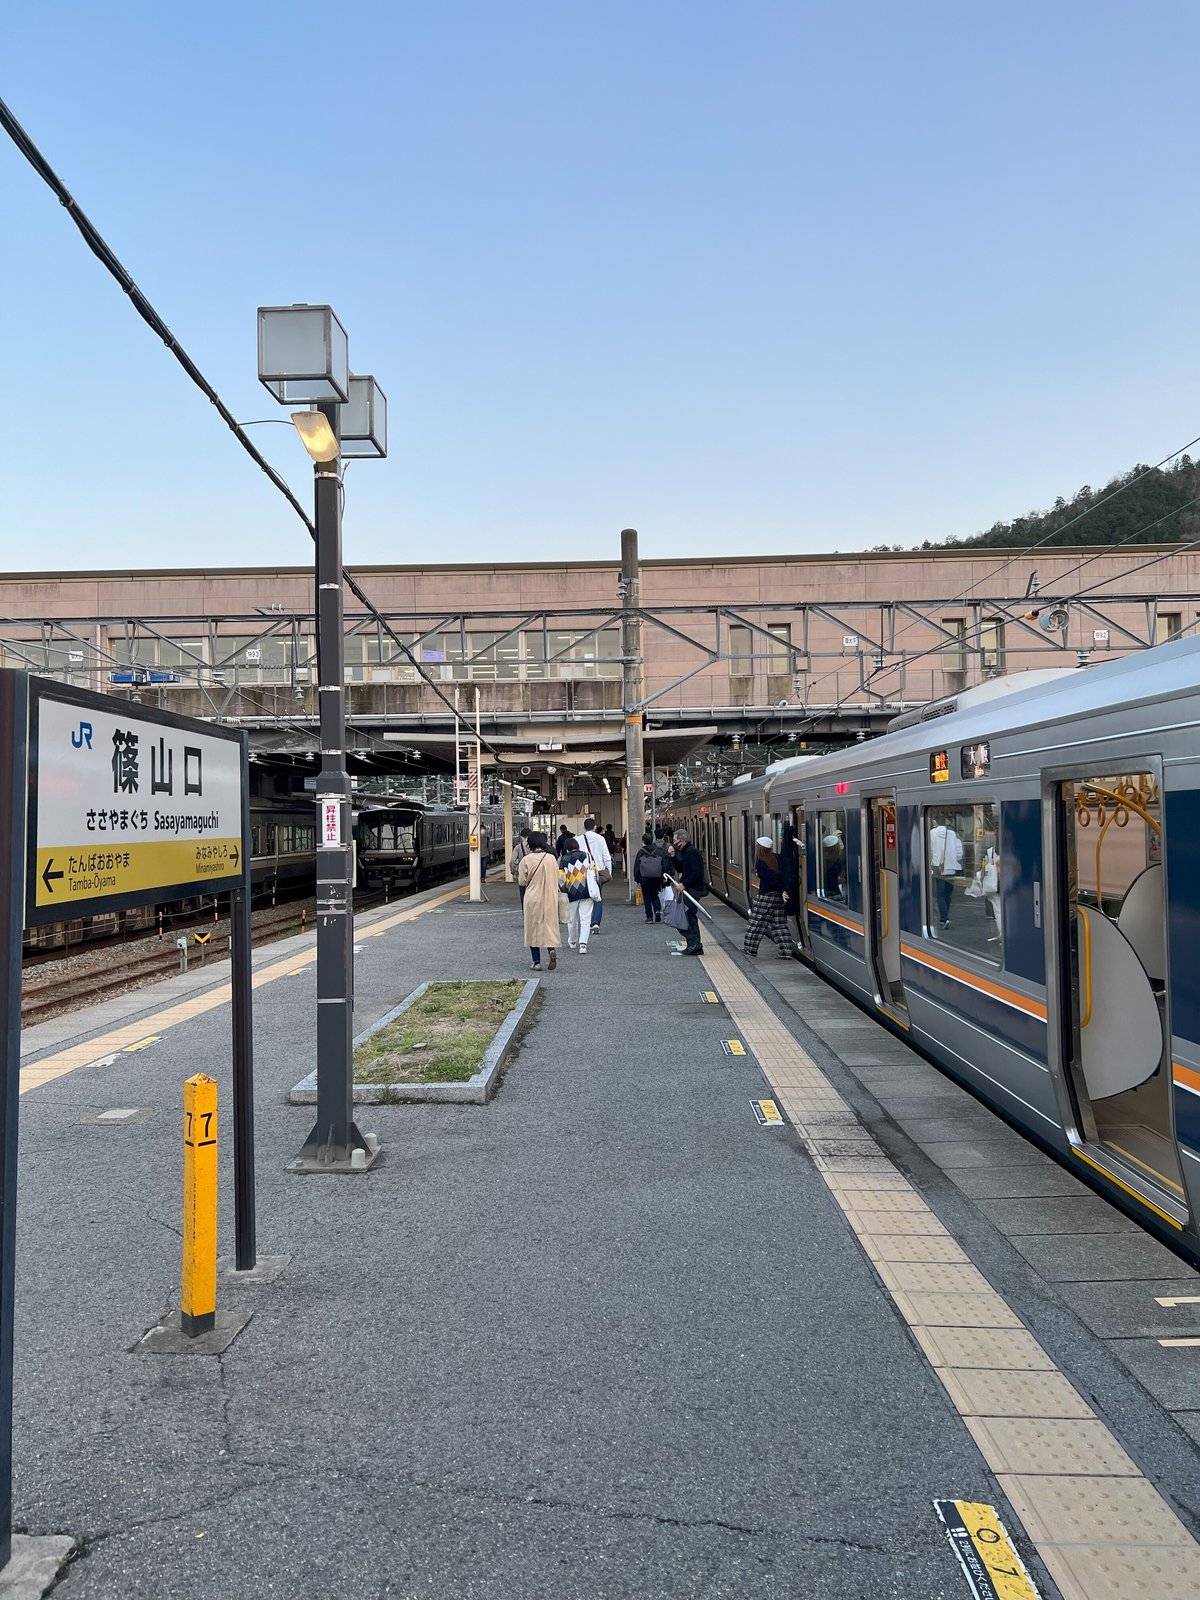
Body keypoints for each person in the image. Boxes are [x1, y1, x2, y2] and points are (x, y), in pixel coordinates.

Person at [743, 837, 793, 960]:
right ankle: (786, 951)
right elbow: (782, 878)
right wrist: (782, 891)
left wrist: (781, 890)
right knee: (779, 925)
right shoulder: (777, 858)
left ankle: (750, 949)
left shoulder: (761, 862)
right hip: (779, 897)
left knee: (756, 923)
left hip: (766, 897)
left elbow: (771, 880)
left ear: (759, 848)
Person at [517, 832, 560, 971]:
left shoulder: (526, 860)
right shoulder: (551, 859)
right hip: (549, 897)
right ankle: (551, 950)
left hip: (532, 898)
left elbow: (522, 881)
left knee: (532, 929)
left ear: (530, 844)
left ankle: (536, 962)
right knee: (549, 925)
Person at [558, 832, 600, 954]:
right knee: (586, 919)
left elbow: (561, 880)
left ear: (567, 848)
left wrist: (563, 891)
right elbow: (594, 871)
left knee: (572, 919)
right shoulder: (587, 855)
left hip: (571, 894)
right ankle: (583, 945)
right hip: (587, 892)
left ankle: (572, 941)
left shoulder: (564, 860)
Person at [668, 828, 706, 956]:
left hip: (693, 889)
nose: (673, 843)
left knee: (687, 916)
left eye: (675, 841)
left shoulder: (692, 852)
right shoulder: (685, 851)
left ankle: (694, 944)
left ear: (682, 841)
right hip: (689, 888)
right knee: (687, 916)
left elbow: (697, 872)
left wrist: (684, 884)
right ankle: (694, 944)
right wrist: (673, 856)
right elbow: (681, 868)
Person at [929, 815, 964, 928]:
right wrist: (953, 861)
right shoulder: (953, 834)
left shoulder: (932, 833)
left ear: (935, 822)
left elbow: (930, 850)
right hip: (952, 868)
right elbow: (959, 852)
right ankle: (946, 914)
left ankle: (944, 918)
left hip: (938, 868)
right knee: (948, 895)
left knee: (940, 895)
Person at [581, 818, 612, 931]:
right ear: (594, 827)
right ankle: (595, 923)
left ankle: (586, 920)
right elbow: (606, 857)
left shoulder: (579, 839)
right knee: (597, 897)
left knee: (586, 897)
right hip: (598, 872)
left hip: (584, 872)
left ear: (584, 827)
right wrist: (609, 871)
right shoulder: (600, 839)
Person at [633, 830, 666, 922]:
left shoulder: (641, 852)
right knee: (655, 894)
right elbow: (663, 864)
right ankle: (657, 910)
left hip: (644, 878)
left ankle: (649, 917)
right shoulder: (658, 851)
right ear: (652, 840)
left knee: (647, 897)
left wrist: (637, 879)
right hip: (656, 877)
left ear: (643, 841)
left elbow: (637, 867)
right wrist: (663, 877)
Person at [510, 827, 532, 902]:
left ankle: (524, 911)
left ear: (521, 837)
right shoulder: (534, 846)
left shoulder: (518, 847)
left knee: (523, 895)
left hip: (522, 874)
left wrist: (514, 872)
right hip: (533, 874)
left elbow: (512, 861)